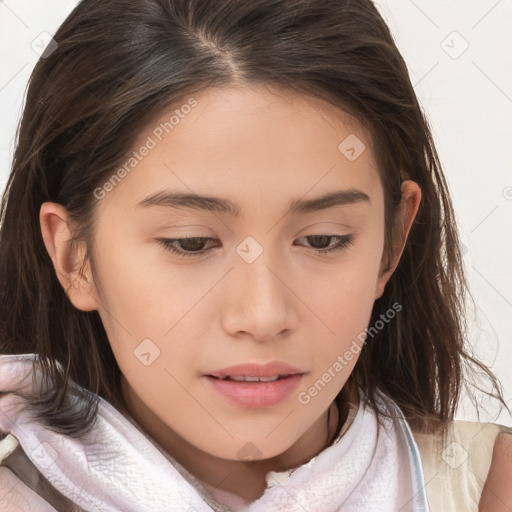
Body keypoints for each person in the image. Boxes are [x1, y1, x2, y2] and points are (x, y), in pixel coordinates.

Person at [0, 0, 511, 510]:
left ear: (392, 242)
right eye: (191, 243)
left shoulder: (488, 489)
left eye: (323, 239)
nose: (263, 316)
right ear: (75, 258)